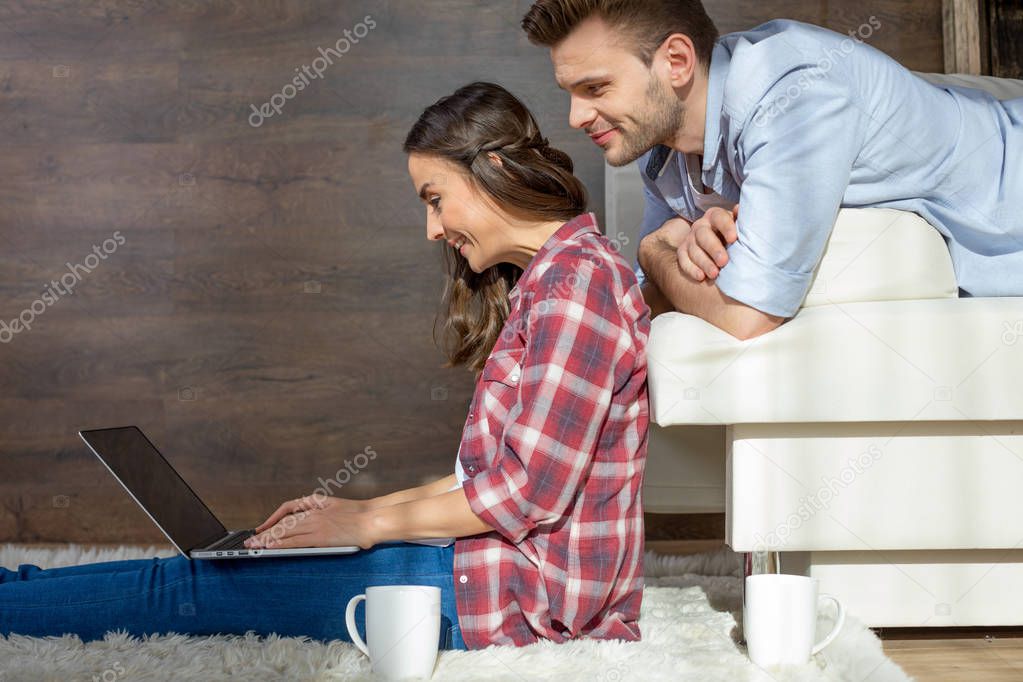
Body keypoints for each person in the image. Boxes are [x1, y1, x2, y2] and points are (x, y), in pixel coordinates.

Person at [1, 82, 651, 652]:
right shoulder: (552, 280)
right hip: (490, 568)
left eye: (434, 197)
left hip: (523, 598)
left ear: (492, 168)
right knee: (206, 569)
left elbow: (525, 492)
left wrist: (367, 525)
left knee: (194, 586)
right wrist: (352, 512)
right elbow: (488, 477)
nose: (431, 229)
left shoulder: (575, 286)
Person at [522, 0, 1023, 339]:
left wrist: (657, 249)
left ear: (676, 61)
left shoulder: (792, 93)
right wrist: (671, 250)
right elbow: (652, 304)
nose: (575, 117)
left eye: (595, 88)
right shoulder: (666, 157)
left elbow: (748, 314)